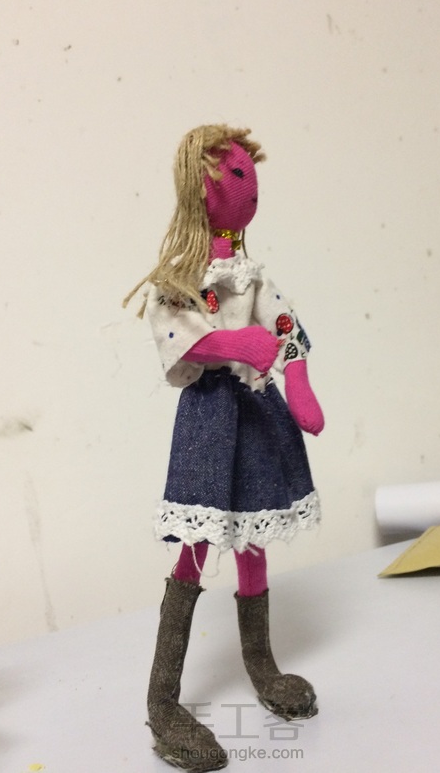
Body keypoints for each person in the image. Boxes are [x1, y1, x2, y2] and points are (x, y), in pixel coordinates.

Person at [124, 125, 324, 772]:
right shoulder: (182, 278)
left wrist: (298, 380)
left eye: (250, 177)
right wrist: (233, 344)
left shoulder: (250, 274)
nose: (249, 190)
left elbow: (286, 326)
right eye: (237, 177)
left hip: (259, 413)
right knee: (197, 543)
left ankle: (260, 662)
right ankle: (163, 699)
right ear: (201, 184)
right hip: (211, 418)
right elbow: (177, 335)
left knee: (253, 533)